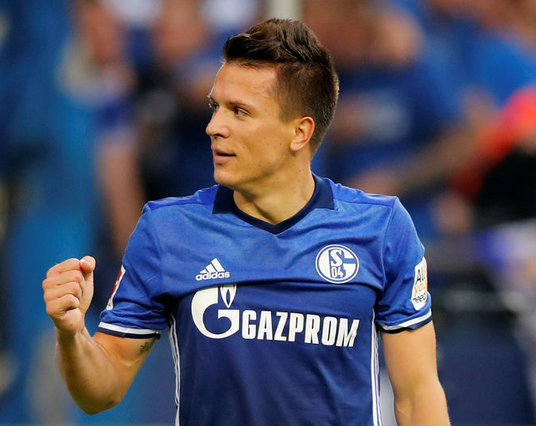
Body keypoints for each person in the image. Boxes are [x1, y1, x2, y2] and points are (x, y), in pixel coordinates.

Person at [42, 18, 450, 425]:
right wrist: (72, 334)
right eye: (215, 107)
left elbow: (417, 396)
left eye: (240, 112)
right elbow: (101, 391)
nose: (214, 127)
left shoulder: (381, 229)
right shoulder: (167, 230)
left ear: (299, 132)